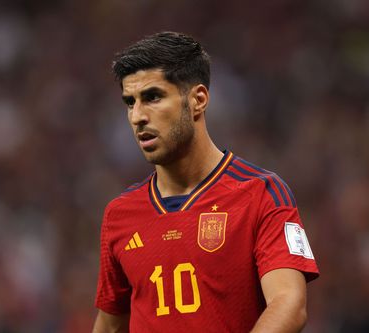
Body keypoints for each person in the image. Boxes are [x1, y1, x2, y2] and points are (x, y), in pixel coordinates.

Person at [93, 31, 319, 333]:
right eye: (130, 102)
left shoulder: (260, 193)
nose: (137, 116)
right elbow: (109, 326)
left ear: (198, 100)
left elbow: (289, 303)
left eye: (152, 97)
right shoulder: (119, 215)